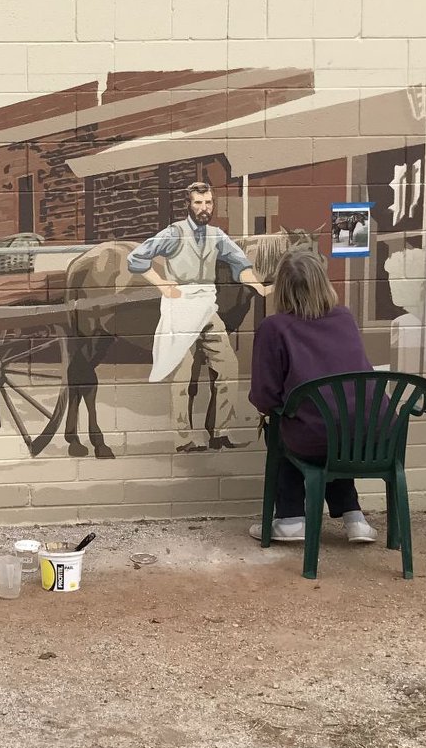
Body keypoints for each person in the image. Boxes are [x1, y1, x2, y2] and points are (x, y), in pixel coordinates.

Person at [246, 250, 378, 545]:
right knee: (338, 421)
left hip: (316, 438)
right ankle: (353, 517)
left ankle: (292, 518)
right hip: (371, 438)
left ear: (282, 288)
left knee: (286, 427)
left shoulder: (274, 327)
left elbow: (265, 397)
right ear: (323, 282)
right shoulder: (344, 317)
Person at [126, 181, 264, 451]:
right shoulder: (173, 233)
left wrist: (259, 286)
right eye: (198, 203)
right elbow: (136, 259)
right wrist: (163, 284)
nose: (204, 208)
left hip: (207, 308)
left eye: (208, 202)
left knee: (228, 366)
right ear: (188, 205)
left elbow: (240, 264)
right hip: (181, 308)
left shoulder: (216, 235)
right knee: (183, 373)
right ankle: (184, 439)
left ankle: (220, 432)